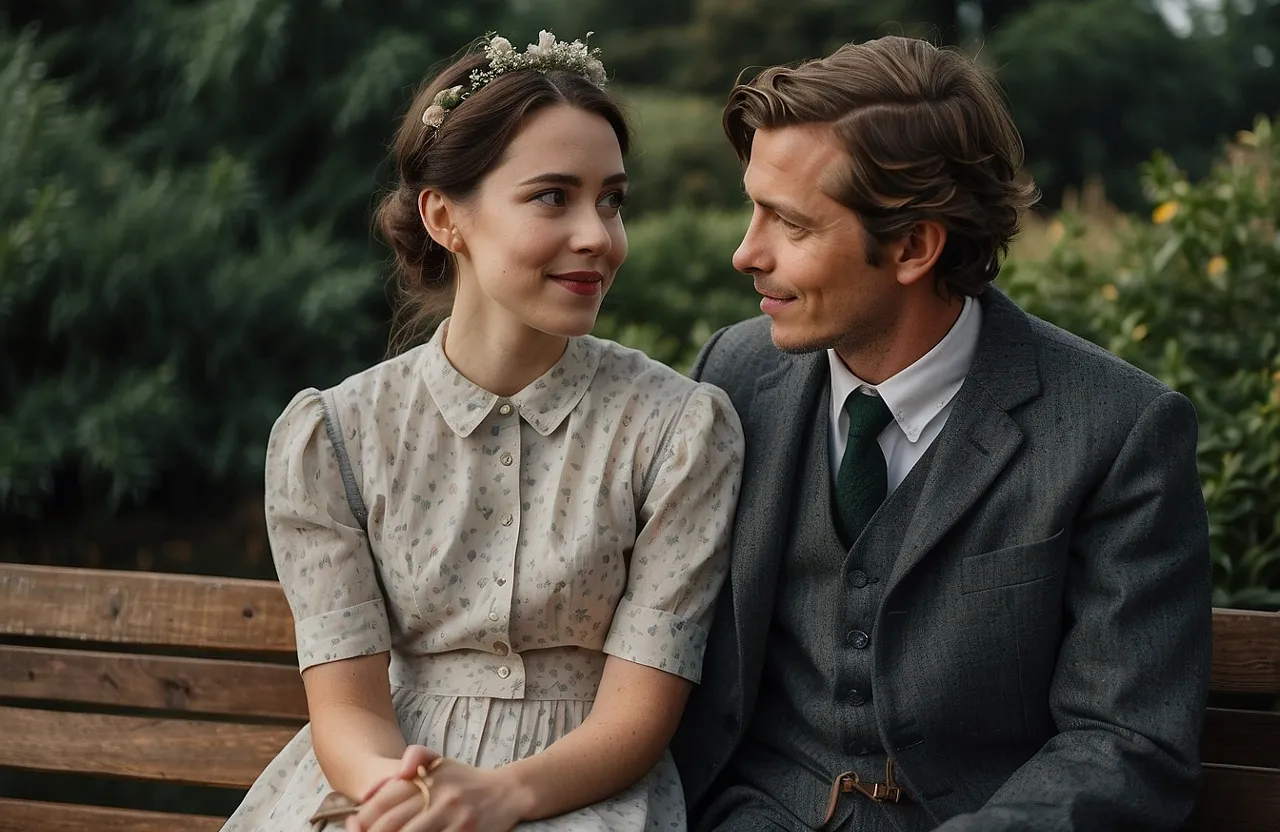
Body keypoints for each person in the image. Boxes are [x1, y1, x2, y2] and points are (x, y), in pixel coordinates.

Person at [671, 35, 1212, 832]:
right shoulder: (735, 374)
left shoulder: (1120, 430)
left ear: (915, 246)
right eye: (753, 209)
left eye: (789, 223)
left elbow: (1124, 742)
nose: (745, 252)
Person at [223, 31, 744, 832]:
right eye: (551, 196)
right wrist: (404, 796)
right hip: (385, 784)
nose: (598, 237)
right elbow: (348, 713)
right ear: (444, 217)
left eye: (612, 199)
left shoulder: (677, 430)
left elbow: (636, 718)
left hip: (583, 793)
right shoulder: (333, 439)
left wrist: (499, 798)